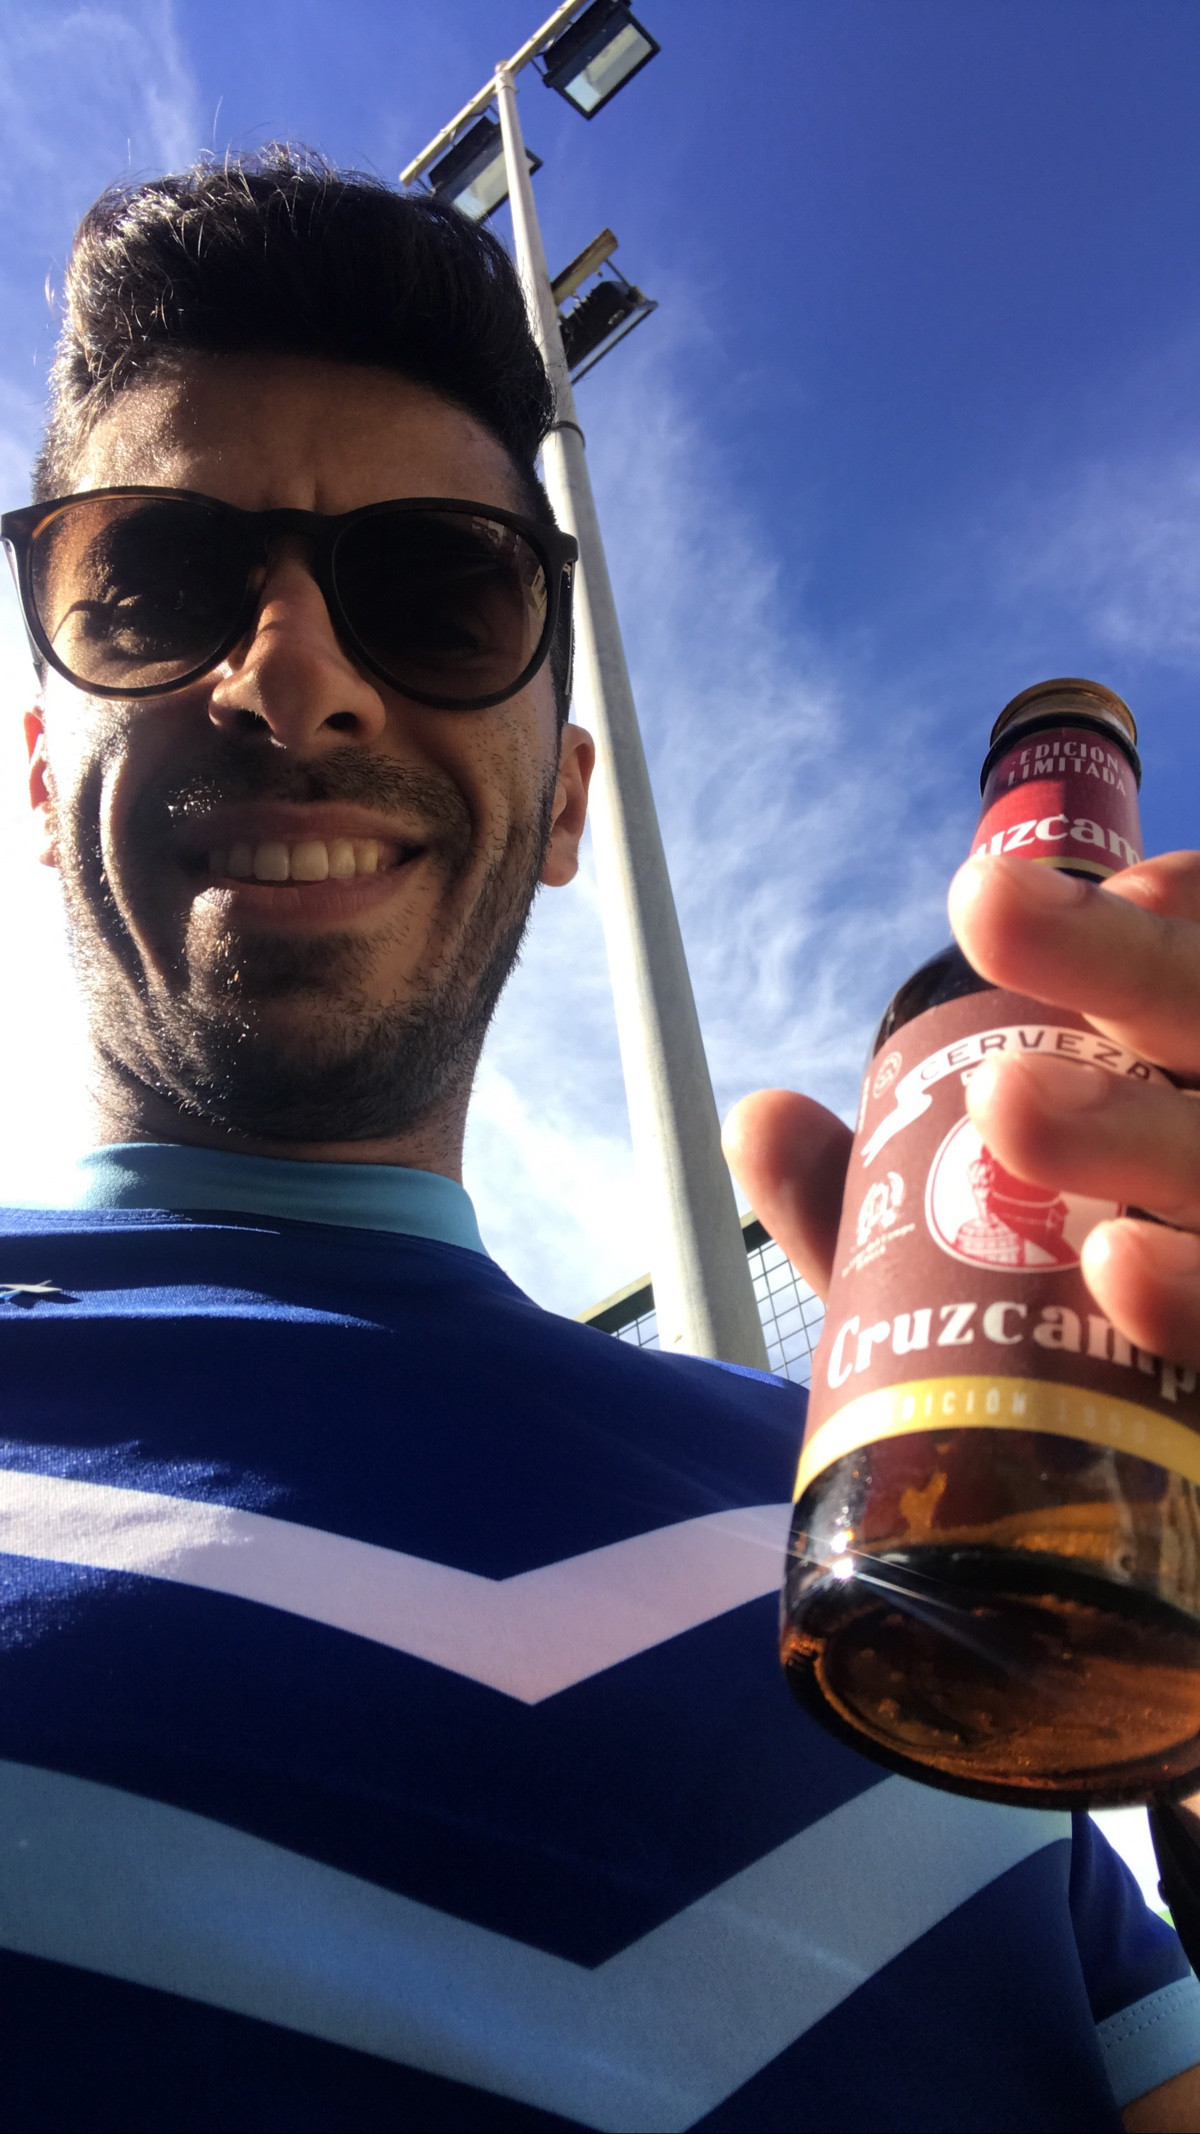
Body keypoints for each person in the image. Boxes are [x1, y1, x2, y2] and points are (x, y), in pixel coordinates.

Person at [0, 148, 1197, 2134]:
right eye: (157, 583)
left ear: (564, 801)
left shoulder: (918, 1572)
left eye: (439, 592)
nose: (294, 675)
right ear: (42, 764)